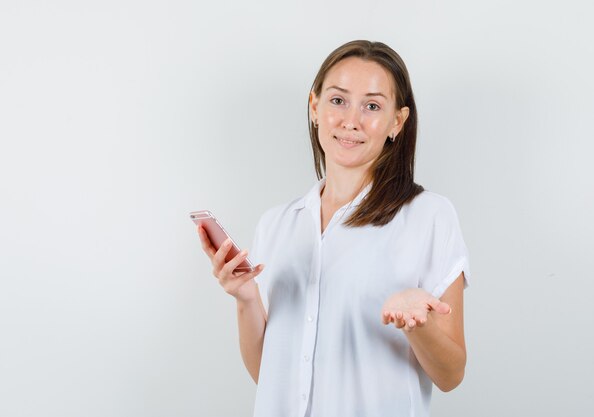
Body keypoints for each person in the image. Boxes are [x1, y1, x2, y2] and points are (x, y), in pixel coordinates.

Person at [197, 40, 471, 417]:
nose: (351, 120)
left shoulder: (429, 217)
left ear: (397, 122)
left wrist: (416, 325)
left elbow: (451, 374)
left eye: (372, 106)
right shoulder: (277, 224)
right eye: (338, 100)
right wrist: (246, 299)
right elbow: (271, 376)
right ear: (315, 107)